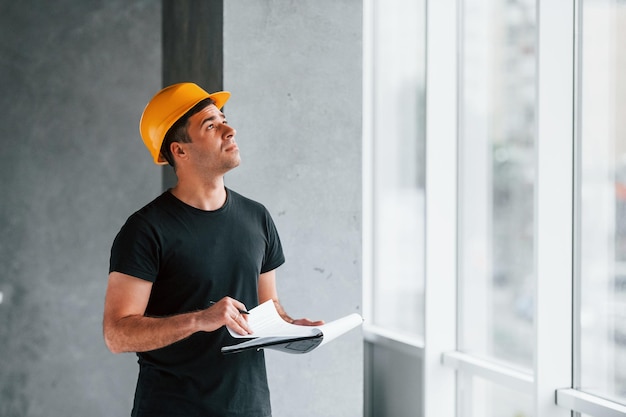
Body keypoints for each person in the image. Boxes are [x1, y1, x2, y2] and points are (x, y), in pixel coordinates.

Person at [103, 82, 323, 417]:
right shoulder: (145, 230)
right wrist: (199, 319)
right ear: (180, 151)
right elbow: (117, 334)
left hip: (249, 407)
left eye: (223, 119)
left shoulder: (256, 217)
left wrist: (293, 328)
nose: (229, 129)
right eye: (211, 125)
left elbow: (269, 306)